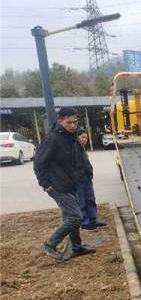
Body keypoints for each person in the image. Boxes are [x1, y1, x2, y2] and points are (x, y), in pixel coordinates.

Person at [33, 107, 95, 261]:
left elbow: (76, 159)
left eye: (75, 122)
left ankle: (76, 247)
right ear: (60, 121)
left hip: (72, 184)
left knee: (70, 216)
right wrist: (45, 184)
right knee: (75, 217)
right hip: (57, 186)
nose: (73, 125)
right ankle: (49, 245)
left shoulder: (71, 137)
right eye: (69, 122)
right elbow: (39, 163)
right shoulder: (52, 139)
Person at [77, 131, 107, 231]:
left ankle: (93, 220)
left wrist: (90, 172)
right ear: (77, 137)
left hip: (87, 177)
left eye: (86, 137)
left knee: (90, 199)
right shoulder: (73, 148)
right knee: (81, 201)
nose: (85, 139)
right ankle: (85, 223)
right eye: (82, 137)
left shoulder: (82, 149)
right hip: (79, 179)